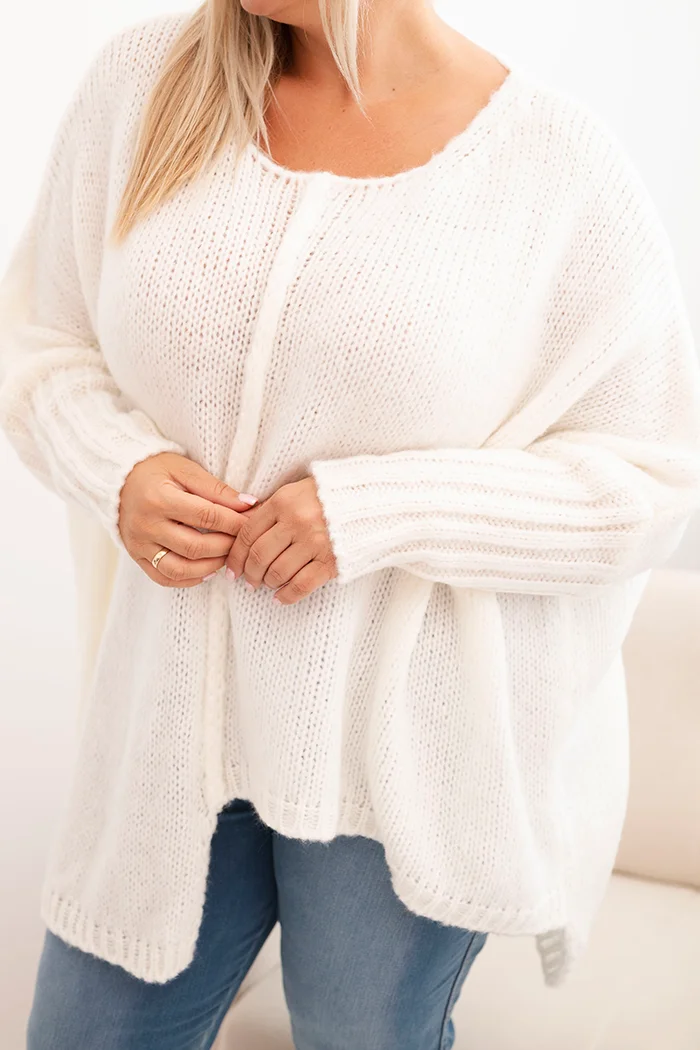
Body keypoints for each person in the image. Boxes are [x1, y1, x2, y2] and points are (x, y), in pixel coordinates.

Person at [2, 2, 700, 1048]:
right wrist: (117, 468)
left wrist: (377, 512)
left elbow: (649, 480)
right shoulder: (146, 85)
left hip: (406, 748)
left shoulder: (555, 168)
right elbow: (40, 339)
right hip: (168, 727)